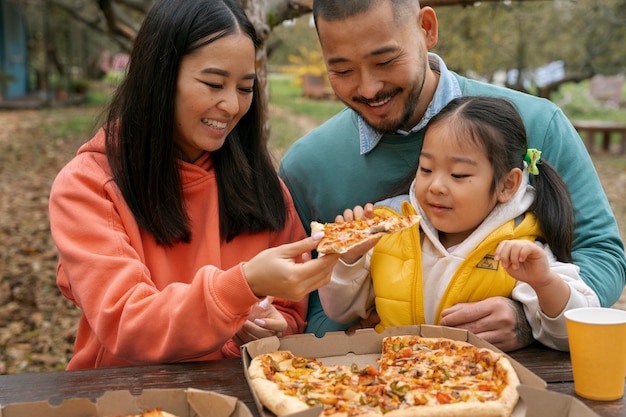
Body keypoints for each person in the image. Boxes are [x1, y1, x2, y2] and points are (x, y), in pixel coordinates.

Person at [278, 0, 626, 351]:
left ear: (427, 28)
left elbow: (601, 254)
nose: (368, 88)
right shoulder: (307, 167)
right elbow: (308, 309)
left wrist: (527, 319)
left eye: (385, 61)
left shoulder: (539, 124)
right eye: (342, 70)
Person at [48, 0, 339, 370]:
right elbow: (128, 323)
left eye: (245, 88)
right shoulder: (89, 187)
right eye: (214, 83)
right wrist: (242, 286)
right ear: (160, 75)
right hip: (124, 397)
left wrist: (269, 329)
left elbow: (288, 310)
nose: (232, 105)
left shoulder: (258, 184)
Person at [318, 96, 600, 351]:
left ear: (507, 184)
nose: (436, 186)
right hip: (392, 379)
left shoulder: (521, 247)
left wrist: (544, 283)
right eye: (426, 169)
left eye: (459, 175)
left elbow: (571, 333)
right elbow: (338, 311)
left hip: (476, 388)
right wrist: (348, 259)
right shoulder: (388, 228)